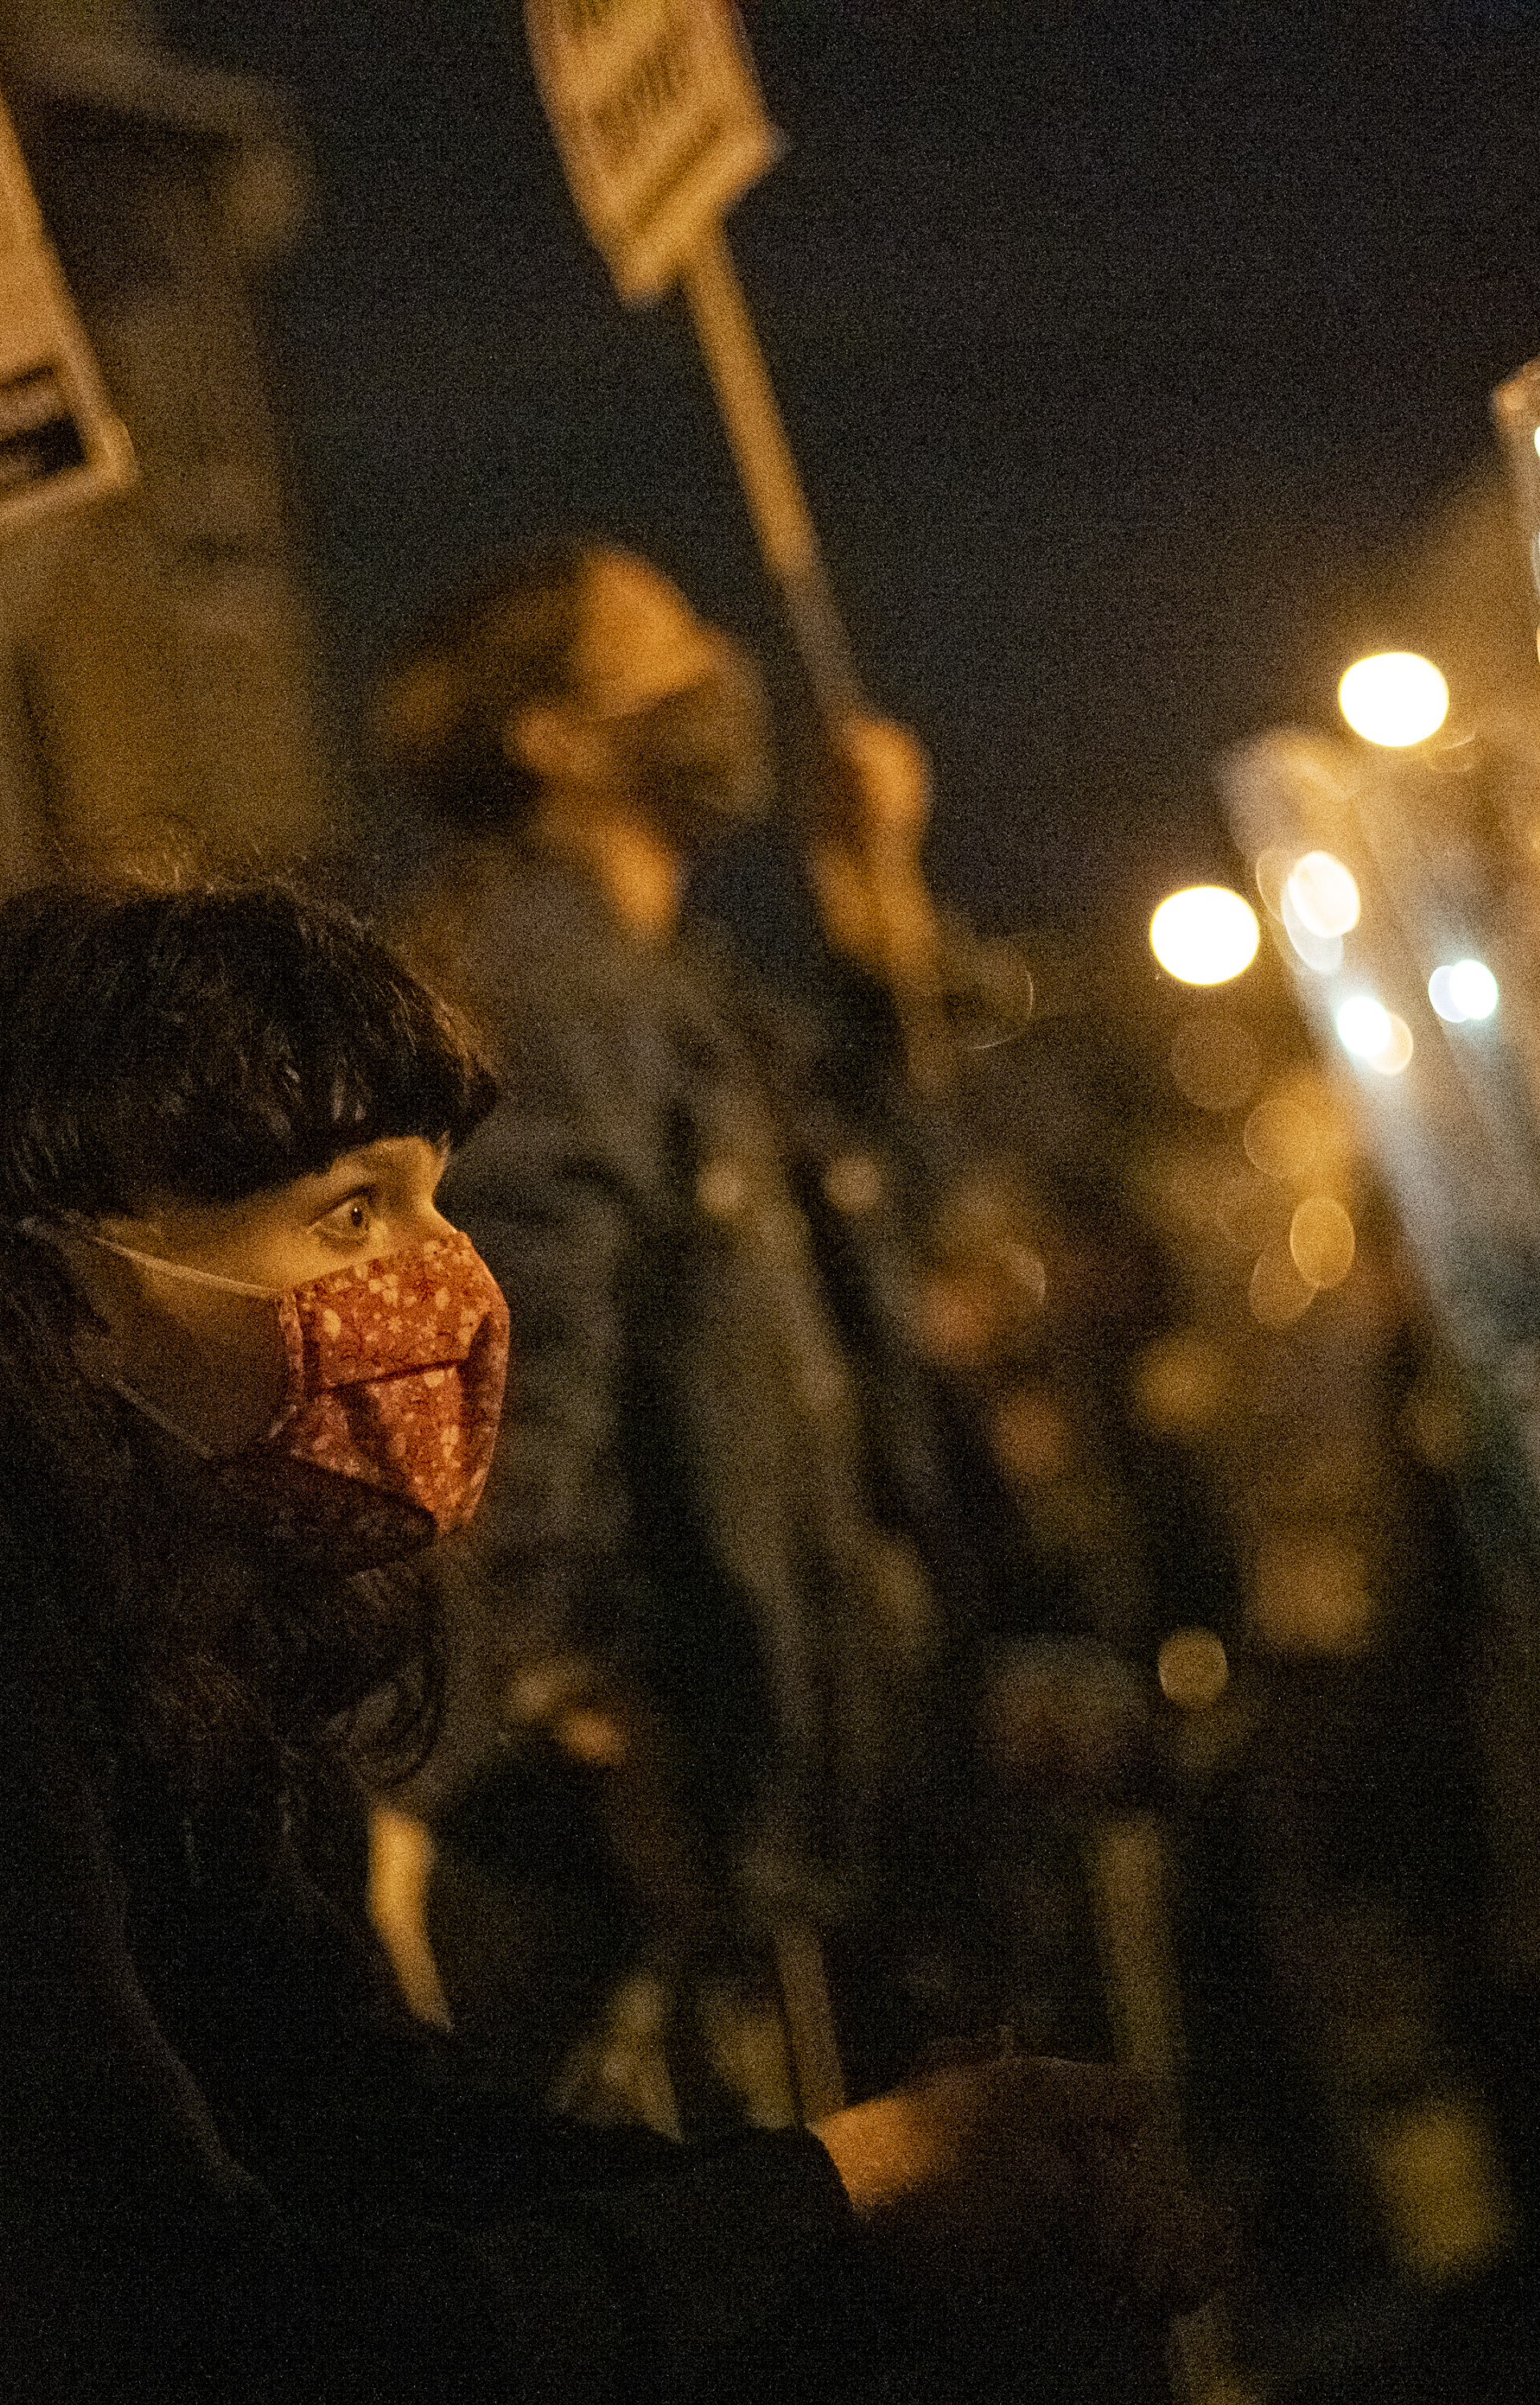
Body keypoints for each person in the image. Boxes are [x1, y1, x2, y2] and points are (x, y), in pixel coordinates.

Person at [0, 877, 1221, 2399]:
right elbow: (165, 2328)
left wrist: (900, 2198)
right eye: (350, 1211)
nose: (444, 1278)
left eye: (435, 1194)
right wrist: (852, 2189)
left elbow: (367, 2121)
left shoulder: (187, 1596)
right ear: (70, 1291)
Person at [372, 542, 1013, 2125]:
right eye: (659, 646)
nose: (718, 670)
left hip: (793, 1746)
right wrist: (571, 1693)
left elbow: (871, 1200)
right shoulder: (545, 985)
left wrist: (875, 904)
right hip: (686, 1794)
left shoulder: (659, 982)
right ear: (553, 737)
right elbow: (532, 1354)